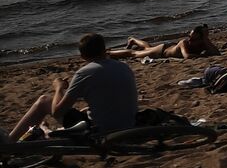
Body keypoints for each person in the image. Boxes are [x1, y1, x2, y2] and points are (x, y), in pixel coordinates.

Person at [4, 34, 138, 143]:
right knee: (85, 109)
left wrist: (59, 88)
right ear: (105, 49)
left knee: (44, 101)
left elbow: (57, 112)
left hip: (100, 131)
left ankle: (10, 142)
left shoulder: (85, 72)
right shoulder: (123, 67)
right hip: (128, 126)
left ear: (83, 56)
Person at [109, 25, 219, 60]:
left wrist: (206, 39)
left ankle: (133, 40)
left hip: (168, 47)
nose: (190, 40)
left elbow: (216, 53)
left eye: (193, 39)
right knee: (134, 54)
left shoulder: (203, 42)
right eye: (189, 36)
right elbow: (187, 56)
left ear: (201, 38)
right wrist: (202, 55)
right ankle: (109, 53)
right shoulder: (184, 42)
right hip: (162, 51)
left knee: (147, 48)